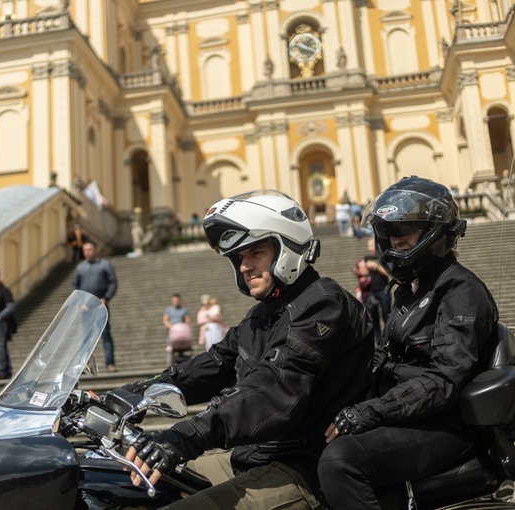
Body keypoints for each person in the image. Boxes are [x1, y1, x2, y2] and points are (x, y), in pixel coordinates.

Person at [123, 190, 374, 509]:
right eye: (239, 257)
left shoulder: (323, 305)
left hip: (301, 469)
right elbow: (213, 364)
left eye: (255, 252)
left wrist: (188, 435)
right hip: (251, 458)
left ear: (288, 246)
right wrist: (135, 392)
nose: (244, 266)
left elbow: (276, 388)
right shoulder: (263, 314)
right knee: (119, 485)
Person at [318, 176, 499, 509]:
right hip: (407, 416)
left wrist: (369, 411)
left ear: (435, 231)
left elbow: (445, 381)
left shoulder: (461, 292)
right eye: (388, 233)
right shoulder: (408, 291)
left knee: (339, 461)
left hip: (447, 425)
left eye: (404, 231)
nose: (394, 241)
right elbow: (386, 361)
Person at [71, 240, 118, 371]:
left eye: (89, 250)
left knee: (106, 335)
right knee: (85, 336)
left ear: (95, 250)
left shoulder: (105, 265)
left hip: (100, 307)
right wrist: (80, 303)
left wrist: (106, 298)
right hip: (86, 308)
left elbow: (113, 282)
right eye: (85, 250)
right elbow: (75, 285)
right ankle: (83, 366)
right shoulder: (80, 267)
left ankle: (110, 363)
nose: (87, 253)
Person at [352, 238, 391, 341]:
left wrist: (376, 267)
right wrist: (362, 271)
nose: (368, 247)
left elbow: (389, 273)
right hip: (370, 291)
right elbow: (357, 271)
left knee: (387, 315)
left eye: (370, 245)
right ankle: (378, 341)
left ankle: (389, 337)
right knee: (373, 318)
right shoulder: (366, 258)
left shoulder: (383, 257)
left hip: (383, 290)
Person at [163, 293, 192, 366]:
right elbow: (165, 320)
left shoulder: (183, 310)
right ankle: (169, 366)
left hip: (182, 333)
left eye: (177, 300)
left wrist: (182, 327)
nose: (175, 302)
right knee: (170, 350)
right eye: (174, 300)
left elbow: (187, 320)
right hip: (172, 333)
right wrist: (172, 328)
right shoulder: (168, 310)